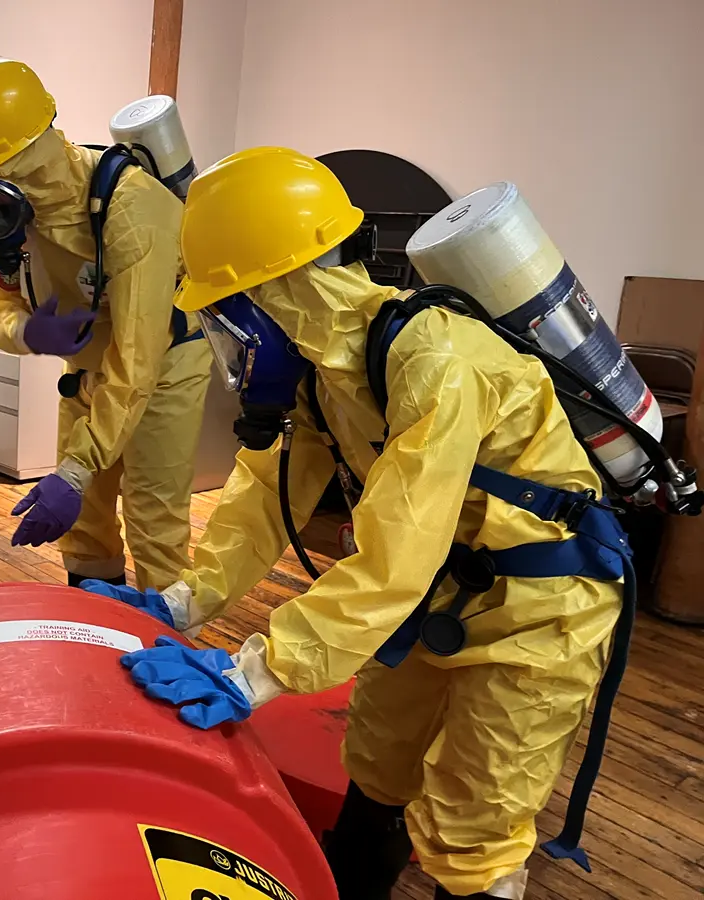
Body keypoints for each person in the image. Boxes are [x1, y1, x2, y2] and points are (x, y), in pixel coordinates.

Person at [82, 148, 626, 899]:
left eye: (226, 313)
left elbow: (397, 552)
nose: (228, 343)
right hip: (437, 594)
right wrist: (187, 599)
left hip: (540, 615)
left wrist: (258, 671)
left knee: (476, 822)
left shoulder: (435, 362)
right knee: (378, 760)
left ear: (277, 291)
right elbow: (265, 497)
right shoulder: (327, 373)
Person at [0, 55, 213, 591]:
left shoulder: (132, 208)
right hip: (87, 371)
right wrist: (27, 332)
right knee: (85, 517)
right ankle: (94, 624)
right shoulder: (18, 211)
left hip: (163, 372)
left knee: (153, 516)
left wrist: (73, 467)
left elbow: (138, 360)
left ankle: (171, 643)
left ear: (22, 157)